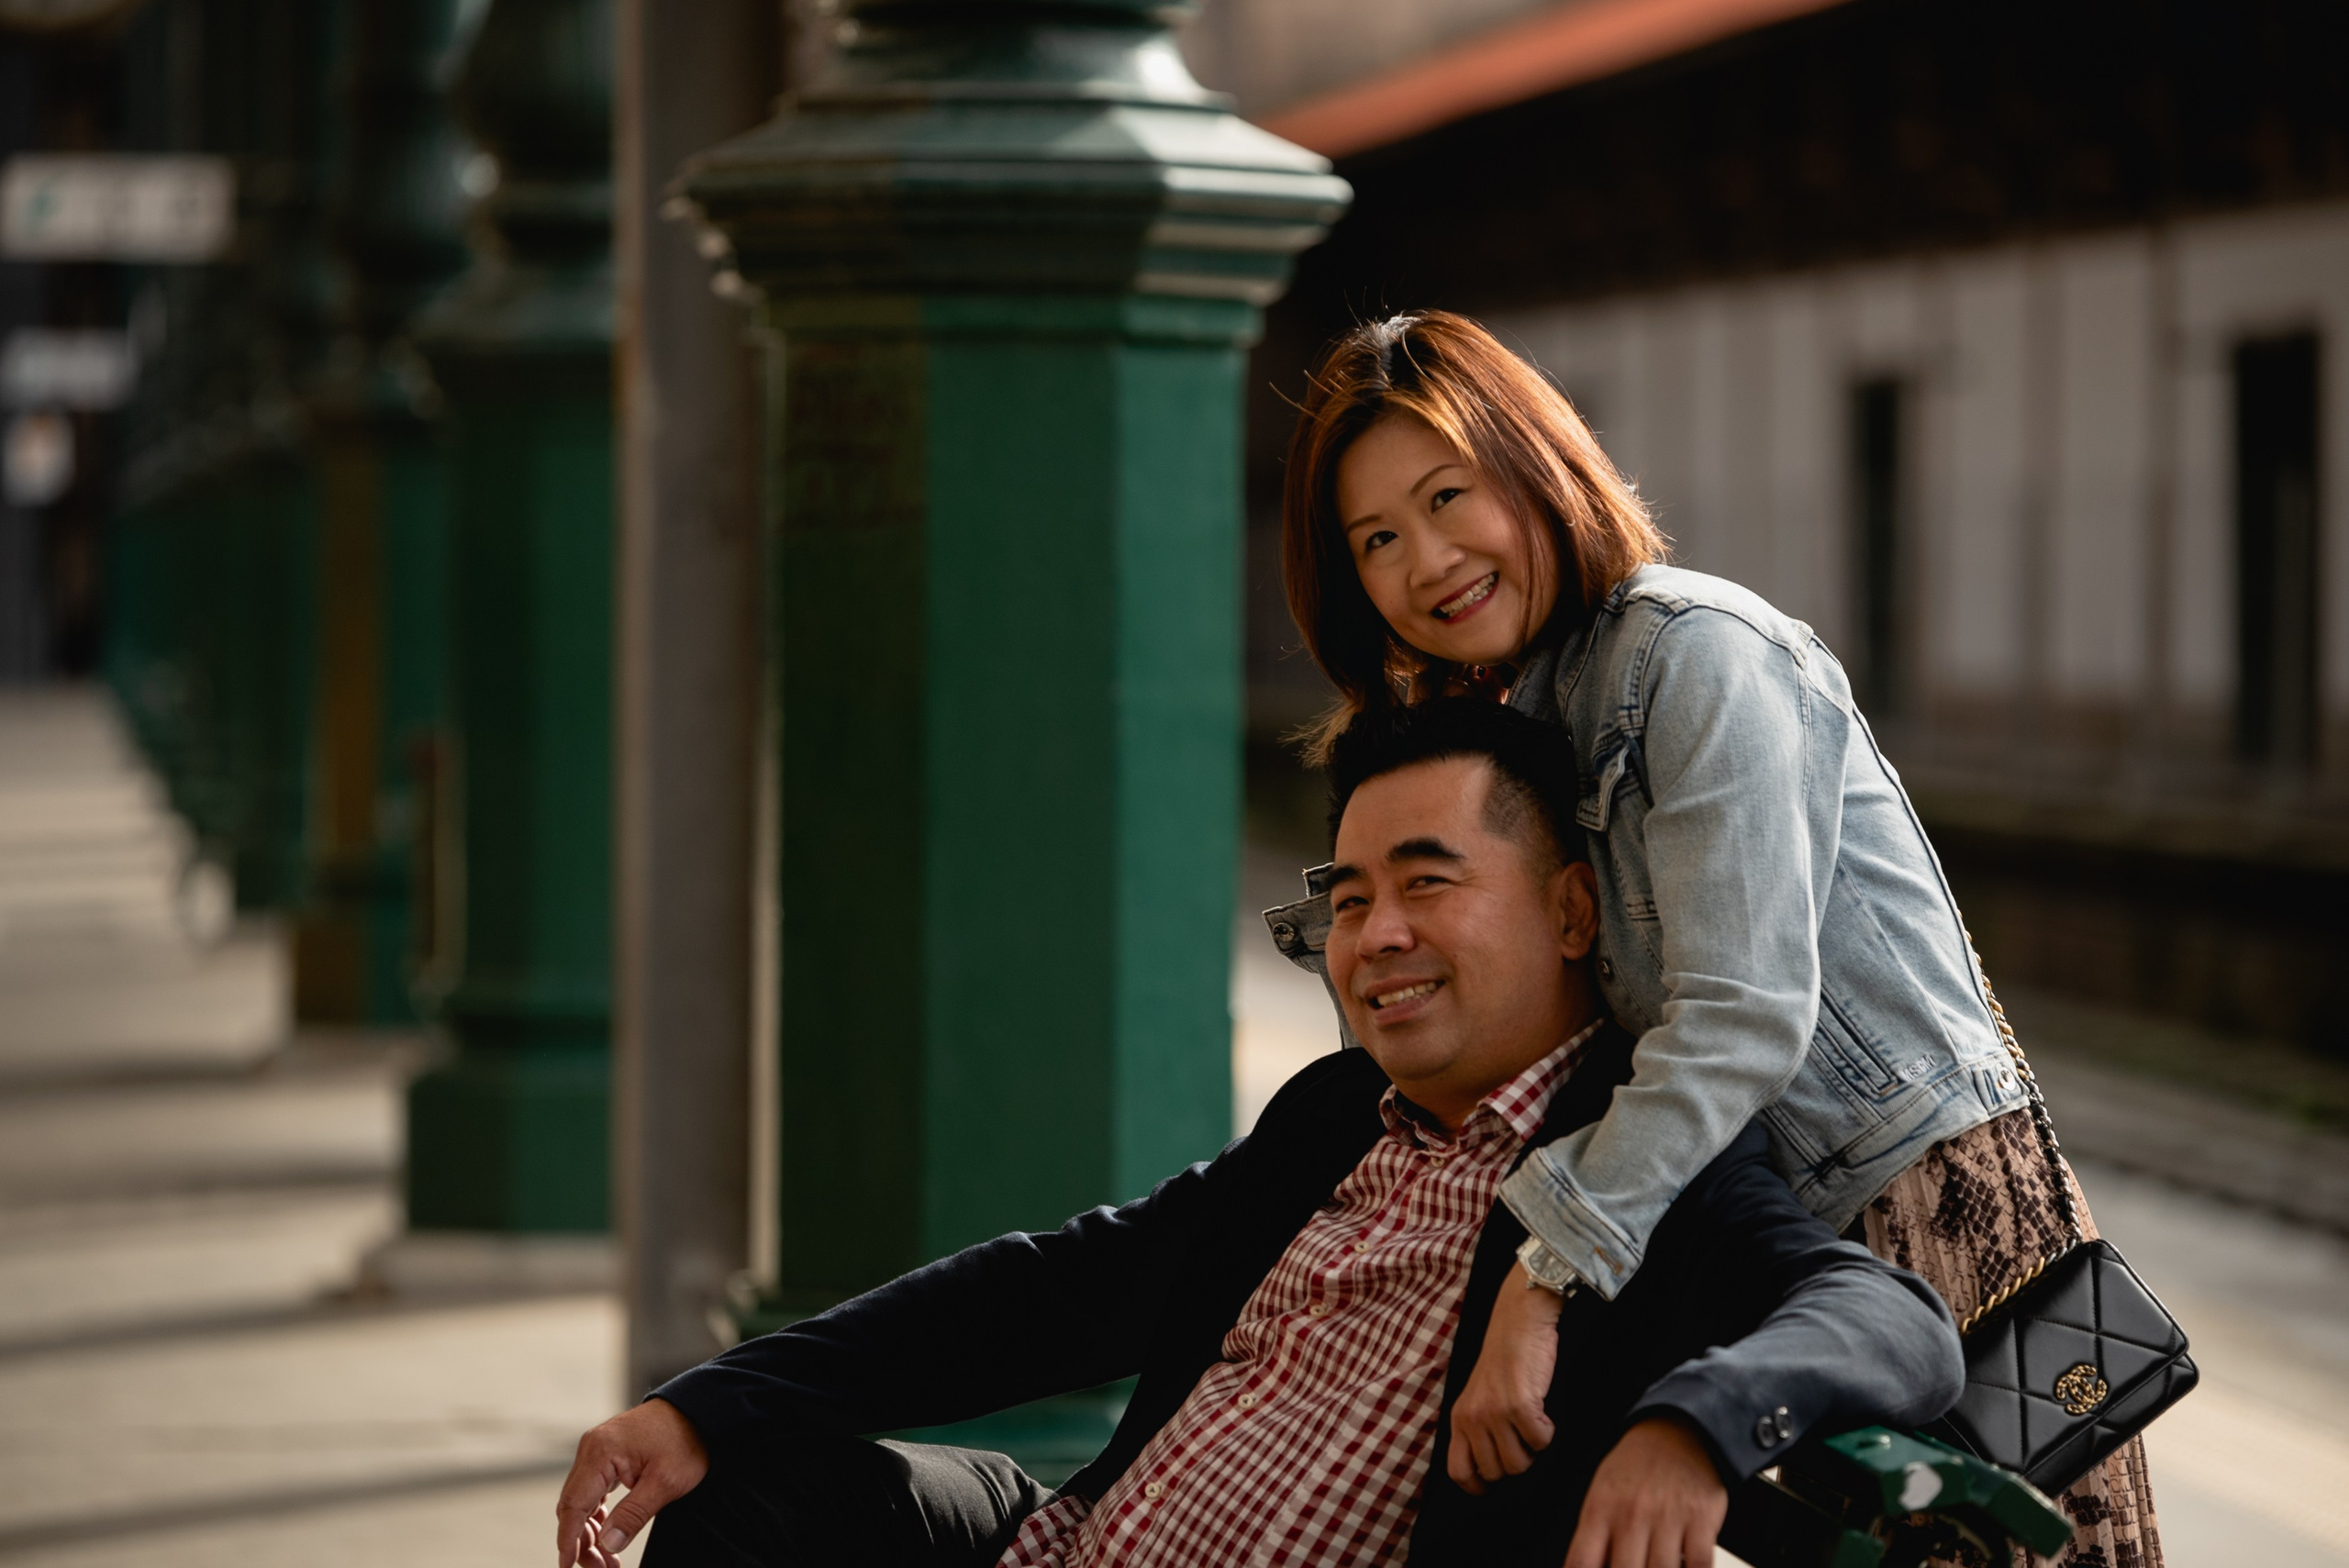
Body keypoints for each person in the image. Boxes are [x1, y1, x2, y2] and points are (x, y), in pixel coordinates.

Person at [556, 700, 1965, 1568]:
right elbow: (1070, 1284)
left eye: (1427, 883)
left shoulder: (1640, 1162)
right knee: (753, 1503)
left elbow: (1888, 1315)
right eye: (1345, 900)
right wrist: (709, 1403)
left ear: (1573, 913)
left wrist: (1695, 1425)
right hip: (1063, 1541)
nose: (1376, 936)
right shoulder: (1339, 1113)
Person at [1276, 310, 2159, 1564]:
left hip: (1926, 1212)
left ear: (1535, 462)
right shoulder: (1509, 718)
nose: (1427, 560)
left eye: (1448, 494)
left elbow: (1737, 1015)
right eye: (1377, 538)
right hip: (1753, 1243)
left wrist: (1543, 1272)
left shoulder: (1692, 651)